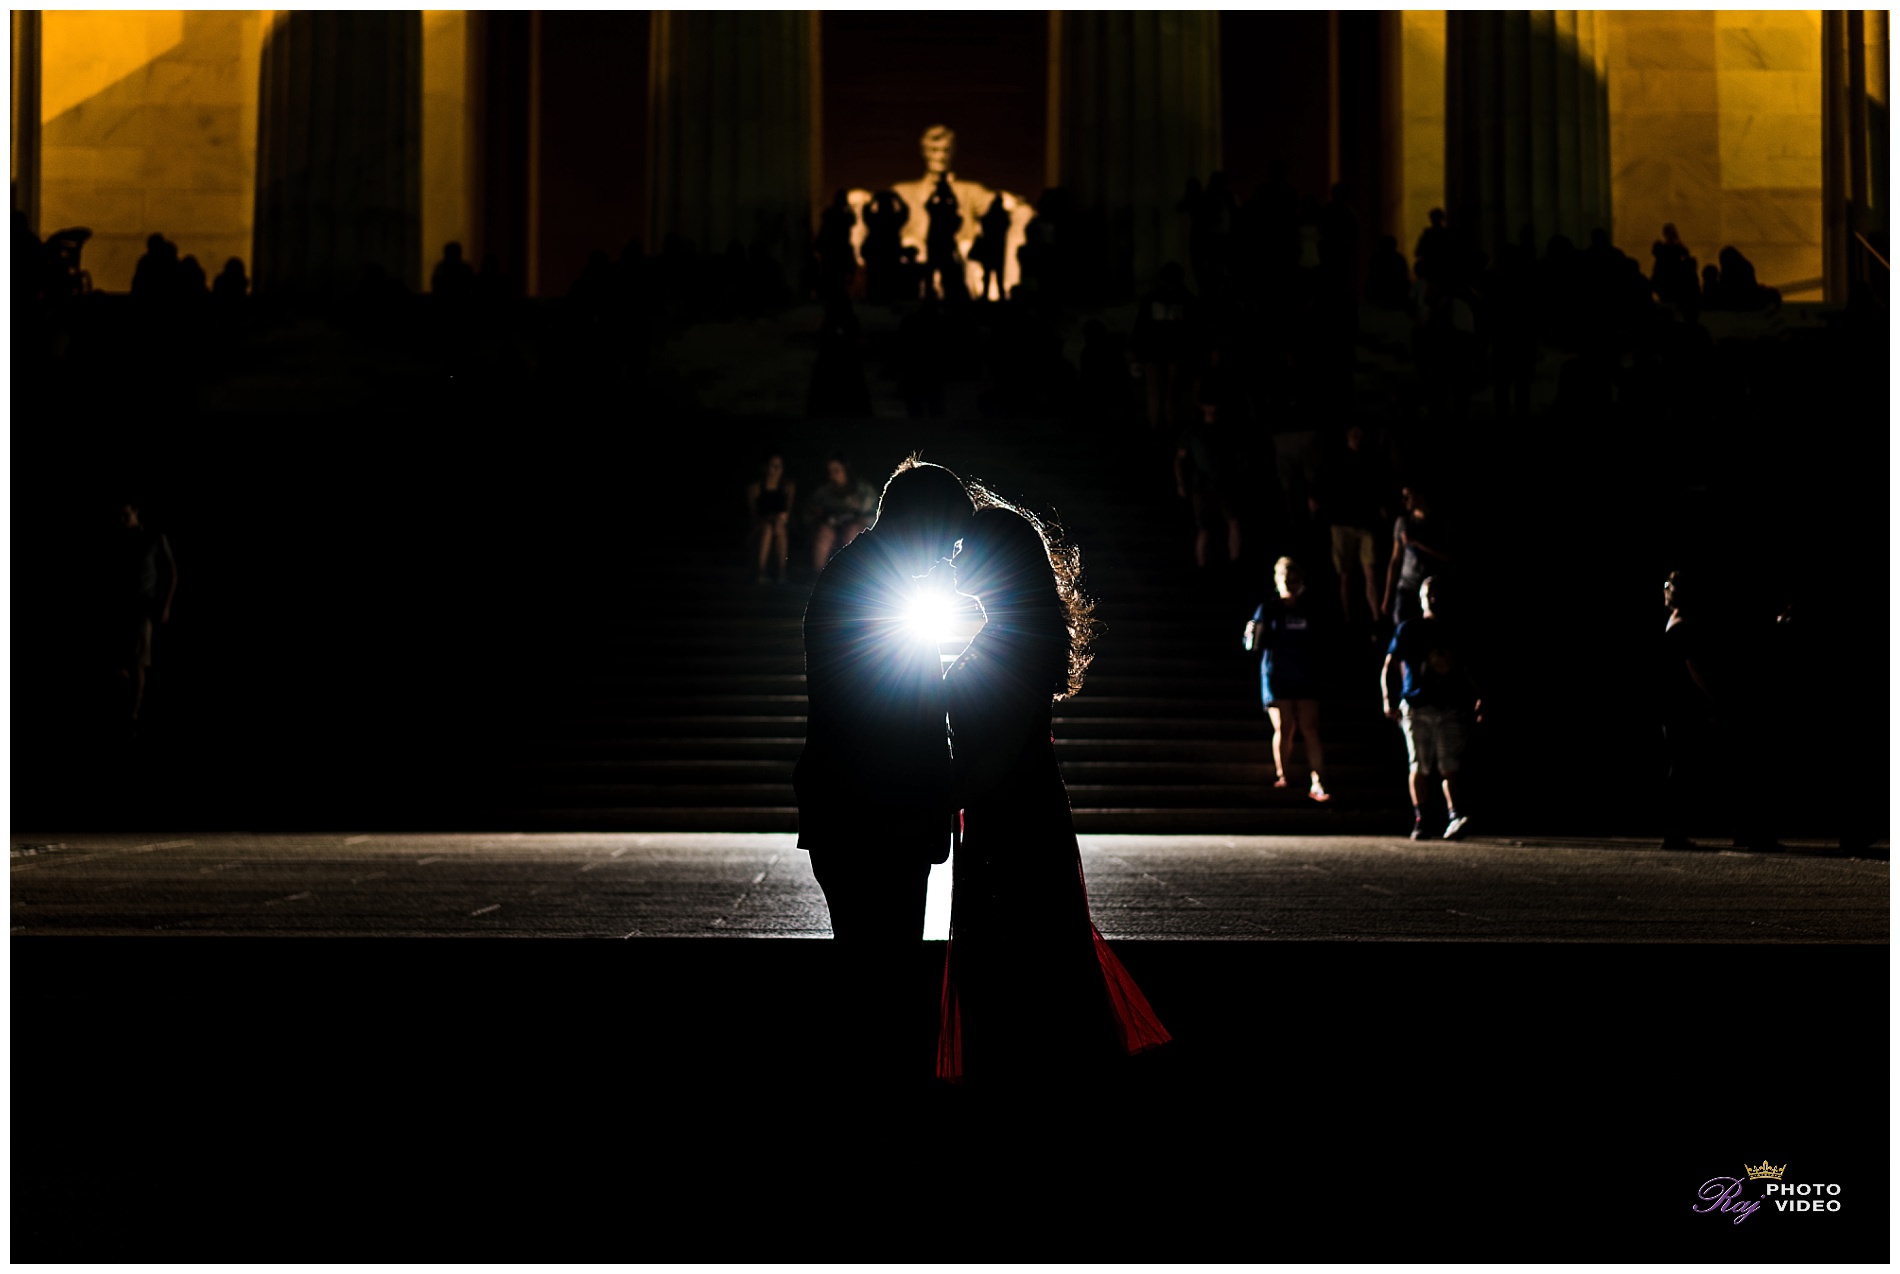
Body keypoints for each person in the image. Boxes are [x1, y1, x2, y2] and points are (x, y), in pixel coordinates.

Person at [937, 498, 1170, 1086]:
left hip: (1011, 806)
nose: (954, 558)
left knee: (1020, 944)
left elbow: (1005, 740)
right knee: (1028, 941)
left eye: (966, 548)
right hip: (1013, 801)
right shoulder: (1016, 629)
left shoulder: (1016, 635)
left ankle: (1031, 1071)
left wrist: (947, 792)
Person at [795, 457, 975, 1076]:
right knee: (884, 970)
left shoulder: (865, 575)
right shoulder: (877, 585)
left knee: (874, 968)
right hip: (874, 807)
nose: (950, 557)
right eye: (948, 539)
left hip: (859, 803)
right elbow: (895, 712)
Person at [1380, 576, 1480, 840]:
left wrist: (1477, 695)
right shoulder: (1409, 629)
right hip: (1417, 705)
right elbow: (1389, 665)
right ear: (1421, 598)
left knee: (1450, 764)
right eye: (1429, 593)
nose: (1433, 598)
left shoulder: (1453, 629)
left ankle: (1455, 815)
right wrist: (1388, 699)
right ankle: (1422, 818)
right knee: (1420, 765)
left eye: (1438, 593)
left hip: (1449, 706)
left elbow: (1466, 667)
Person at [1244, 558, 1331, 801]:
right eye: (1286, 578)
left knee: (1310, 727)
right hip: (1277, 673)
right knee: (1285, 726)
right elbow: (1253, 642)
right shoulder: (1269, 609)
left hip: (1305, 673)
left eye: (1295, 579)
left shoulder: (1309, 608)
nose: (1290, 583)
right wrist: (1251, 635)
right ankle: (1283, 774)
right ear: (1277, 580)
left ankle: (1318, 780)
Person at [117, 499, 178, 725]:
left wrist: (166, 605)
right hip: (124, 607)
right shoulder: (122, 540)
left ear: (136, 512)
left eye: (126, 515)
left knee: (139, 661)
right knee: (125, 663)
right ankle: (130, 704)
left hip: (144, 607)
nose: (122, 520)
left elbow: (173, 573)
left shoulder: (154, 538)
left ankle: (134, 712)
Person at [1382, 484, 1449, 625]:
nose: (1404, 500)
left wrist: (1416, 542)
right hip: (1406, 587)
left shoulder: (1437, 524)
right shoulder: (1403, 523)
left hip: (1430, 589)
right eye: (1403, 497)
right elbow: (1395, 561)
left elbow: (1447, 557)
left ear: (1420, 495)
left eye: (1408, 496)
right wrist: (1387, 597)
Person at [805, 451, 878, 572]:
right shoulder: (824, 493)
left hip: (855, 527)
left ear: (845, 469)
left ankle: (852, 573)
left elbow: (872, 515)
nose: (832, 475)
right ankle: (818, 575)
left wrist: (857, 520)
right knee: (824, 534)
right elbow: (810, 513)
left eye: (836, 470)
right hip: (832, 527)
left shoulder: (863, 491)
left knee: (852, 532)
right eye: (830, 472)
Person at [745, 453, 794, 584]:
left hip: (779, 527)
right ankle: (760, 572)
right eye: (774, 466)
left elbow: (787, 514)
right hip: (760, 527)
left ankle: (781, 573)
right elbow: (753, 516)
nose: (777, 469)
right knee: (767, 529)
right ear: (765, 467)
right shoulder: (755, 488)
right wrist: (769, 519)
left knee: (779, 528)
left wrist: (779, 520)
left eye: (780, 466)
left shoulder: (787, 487)